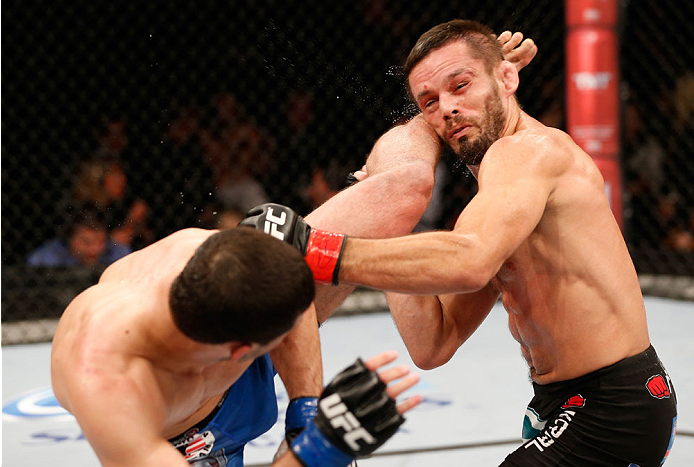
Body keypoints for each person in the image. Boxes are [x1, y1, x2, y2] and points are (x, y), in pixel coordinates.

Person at [240, 20, 677, 466]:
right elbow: (433, 343)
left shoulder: (527, 153)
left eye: (461, 85)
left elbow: (469, 260)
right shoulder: (496, 207)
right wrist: (389, 215)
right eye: (430, 102)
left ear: (508, 78)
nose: (447, 109)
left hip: (613, 406)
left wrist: (315, 249)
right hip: (573, 405)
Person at [50, 226, 420, 467]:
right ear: (244, 351)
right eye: (283, 334)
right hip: (182, 437)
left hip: (218, 362)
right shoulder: (108, 388)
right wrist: (319, 449)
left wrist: (306, 414)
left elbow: (291, 282)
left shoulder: (205, 254)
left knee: (390, 204)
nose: (302, 327)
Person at [27, 203, 131, 267]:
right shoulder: (44, 259)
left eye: (100, 241)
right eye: (87, 242)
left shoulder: (119, 253)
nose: (94, 249)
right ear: (69, 238)